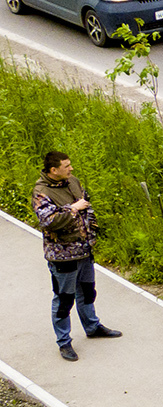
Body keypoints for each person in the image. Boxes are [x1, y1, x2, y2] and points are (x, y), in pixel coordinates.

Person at [32, 151, 120, 361]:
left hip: (84, 250)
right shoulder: (41, 192)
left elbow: (87, 204)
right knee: (64, 300)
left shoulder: (73, 182)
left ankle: (93, 327)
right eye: (66, 166)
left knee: (88, 292)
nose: (71, 169)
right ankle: (64, 343)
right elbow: (49, 221)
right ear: (54, 170)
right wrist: (73, 209)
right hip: (63, 256)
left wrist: (93, 228)